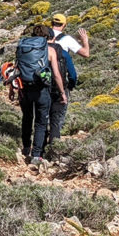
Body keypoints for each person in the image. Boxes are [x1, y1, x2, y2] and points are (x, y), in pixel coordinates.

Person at [17, 24, 68, 165]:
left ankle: (26, 147)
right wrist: (62, 92)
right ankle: (36, 154)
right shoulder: (50, 50)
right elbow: (56, 74)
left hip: (25, 89)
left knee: (27, 118)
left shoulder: (23, 48)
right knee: (41, 122)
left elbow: (16, 69)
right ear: (47, 36)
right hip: (41, 90)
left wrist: (14, 90)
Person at [45, 14, 85, 149]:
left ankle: (39, 146)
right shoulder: (67, 39)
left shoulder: (41, 38)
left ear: (51, 23)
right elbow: (86, 54)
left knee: (42, 115)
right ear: (64, 24)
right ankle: (54, 145)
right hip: (60, 82)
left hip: (41, 82)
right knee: (57, 117)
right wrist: (84, 40)